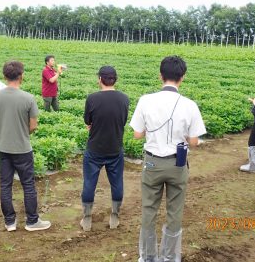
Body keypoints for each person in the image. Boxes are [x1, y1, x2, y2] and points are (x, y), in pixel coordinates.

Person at [130, 56, 206, 262]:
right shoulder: (190, 105)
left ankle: (147, 257)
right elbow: (193, 141)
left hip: (152, 163)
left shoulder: (145, 100)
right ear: (182, 78)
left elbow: (137, 134)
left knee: (149, 210)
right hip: (177, 164)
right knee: (175, 212)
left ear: (160, 76)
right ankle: (170, 257)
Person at [0, 60, 51, 232]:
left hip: (2, 147)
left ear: (4, 76)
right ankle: (32, 221)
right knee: (28, 185)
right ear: (21, 76)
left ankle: (10, 222)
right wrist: (22, 132)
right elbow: (33, 126)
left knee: (5, 184)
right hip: (22, 148)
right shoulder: (28, 98)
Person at [80, 66, 129, 232]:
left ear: (100, 79)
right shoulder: (124, 99)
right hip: (115, 148)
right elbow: (122, 121)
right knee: (117, 183)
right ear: (115, 79)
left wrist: (93, 126)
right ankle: (115, 215)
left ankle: (87, 219)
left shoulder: (92, 98)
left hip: (95, 149)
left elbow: (88, 121)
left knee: (89, 183)